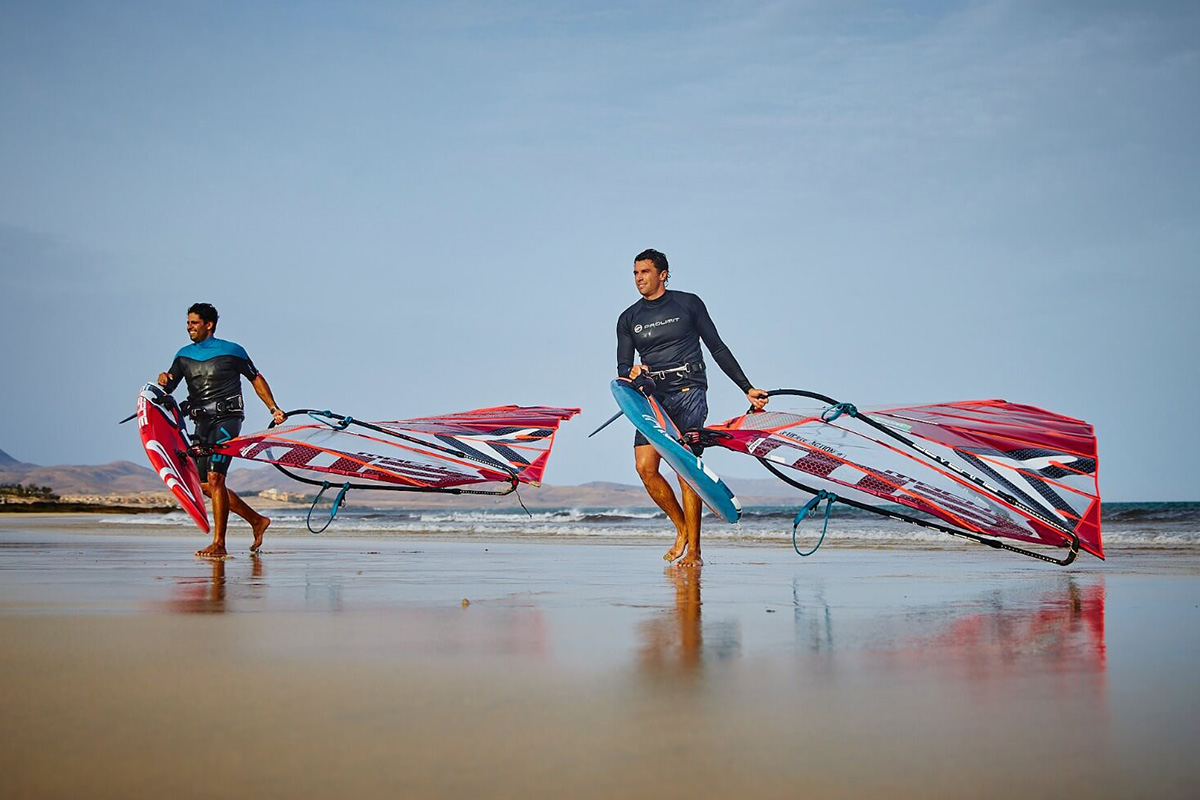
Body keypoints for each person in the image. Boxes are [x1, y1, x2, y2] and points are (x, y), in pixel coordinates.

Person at [616, 249, 768, 566]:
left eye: (645, 271)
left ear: (663, 274)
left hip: (689, 390)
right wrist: (632, 376)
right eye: (635, 272)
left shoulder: (688, 303)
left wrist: (747, 387)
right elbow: (622, 369)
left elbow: (717, 347)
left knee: (686, 467)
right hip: (653, 398)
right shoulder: (628, 318)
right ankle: (682, 528)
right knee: (645, 468)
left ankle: (695, 551)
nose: (639, 278)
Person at [158, 302, 286, 558]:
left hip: (228, 418)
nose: (189, 328)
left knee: (216, 479)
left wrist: (274, 408)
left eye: (194, 323)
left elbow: (256, 378)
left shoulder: (232, 351)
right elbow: (168, 389)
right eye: (187, 323)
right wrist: (163, 378)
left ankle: (219, 543)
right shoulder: (183, 356)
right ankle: (257, 520)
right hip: (200, 422)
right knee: (205, 484)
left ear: (209, 324)